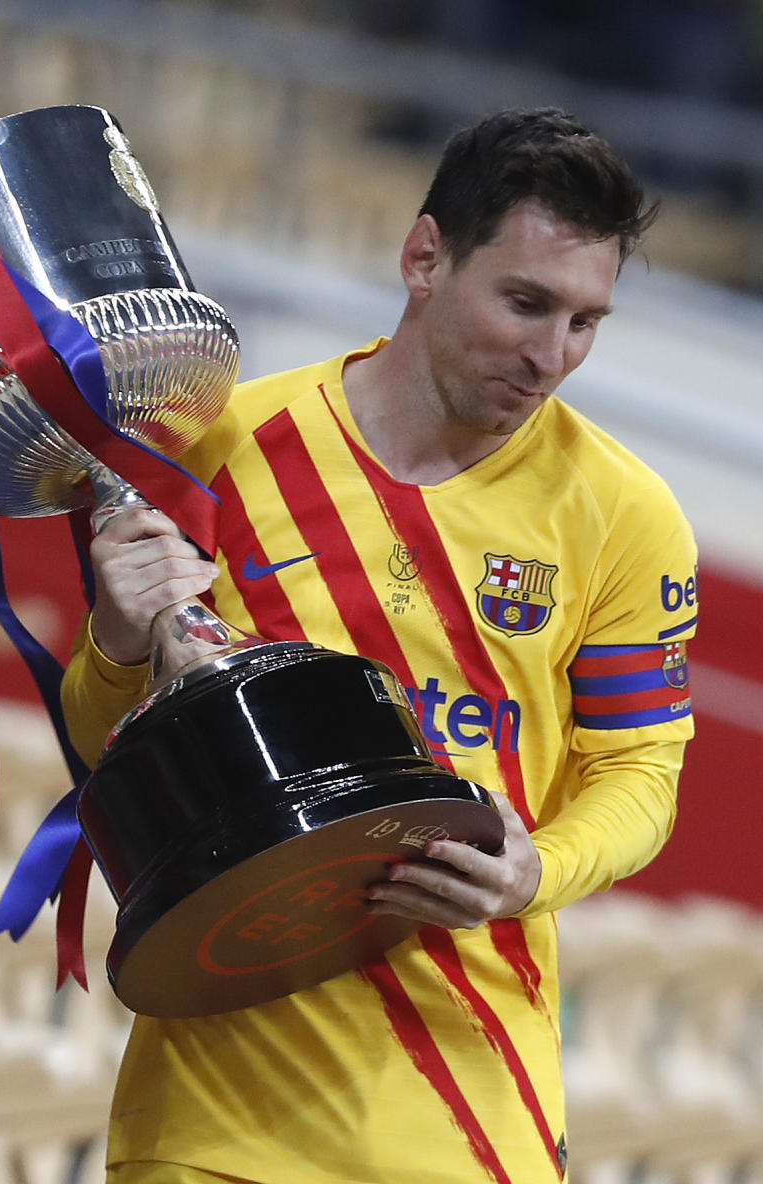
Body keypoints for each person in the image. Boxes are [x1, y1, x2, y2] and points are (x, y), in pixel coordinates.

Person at [61, 108, 697, 1184]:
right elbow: (108, 747)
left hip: (462, 1108)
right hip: (214, 1103)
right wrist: (120, 642)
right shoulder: (226, 450)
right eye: (526, 303)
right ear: (423, 257)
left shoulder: (625, 515)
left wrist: (538, 869)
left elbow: (642, 774)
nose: (552, 357)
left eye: (587, 321)